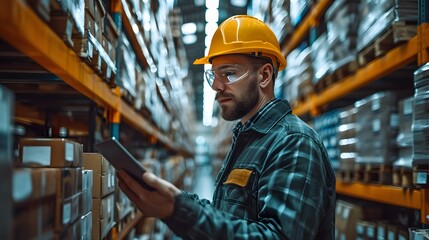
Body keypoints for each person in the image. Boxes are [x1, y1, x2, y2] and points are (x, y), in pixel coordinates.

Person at [117, 15, 336, 239]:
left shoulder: (295, 142)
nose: (216, 86)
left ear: (264, 75)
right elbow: (227, 215)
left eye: (229, 73)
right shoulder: (247, 138)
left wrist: (179, 212)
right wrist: (177, 198)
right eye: (213, 75)